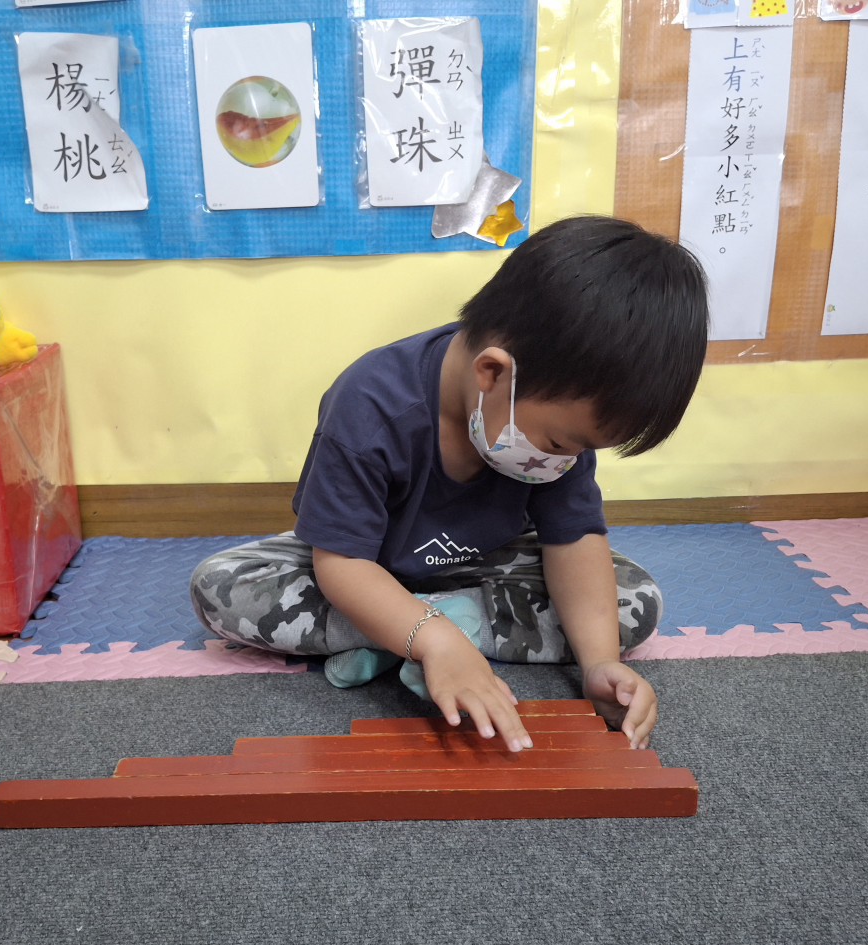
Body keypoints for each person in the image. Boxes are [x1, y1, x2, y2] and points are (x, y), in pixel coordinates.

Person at [190, 215, 708, 754]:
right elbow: (340, 562)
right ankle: (428, 633)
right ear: (492, 373)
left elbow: (574, 539)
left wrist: (599, 662)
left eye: (583, 449)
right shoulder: (369, 405)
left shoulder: (558, 426)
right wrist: (434, 637)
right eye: (559, 443)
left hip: (483, 567)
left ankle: (407, 634)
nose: (569, 460)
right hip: (366, 566)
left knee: (635, 601)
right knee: (221, 587)